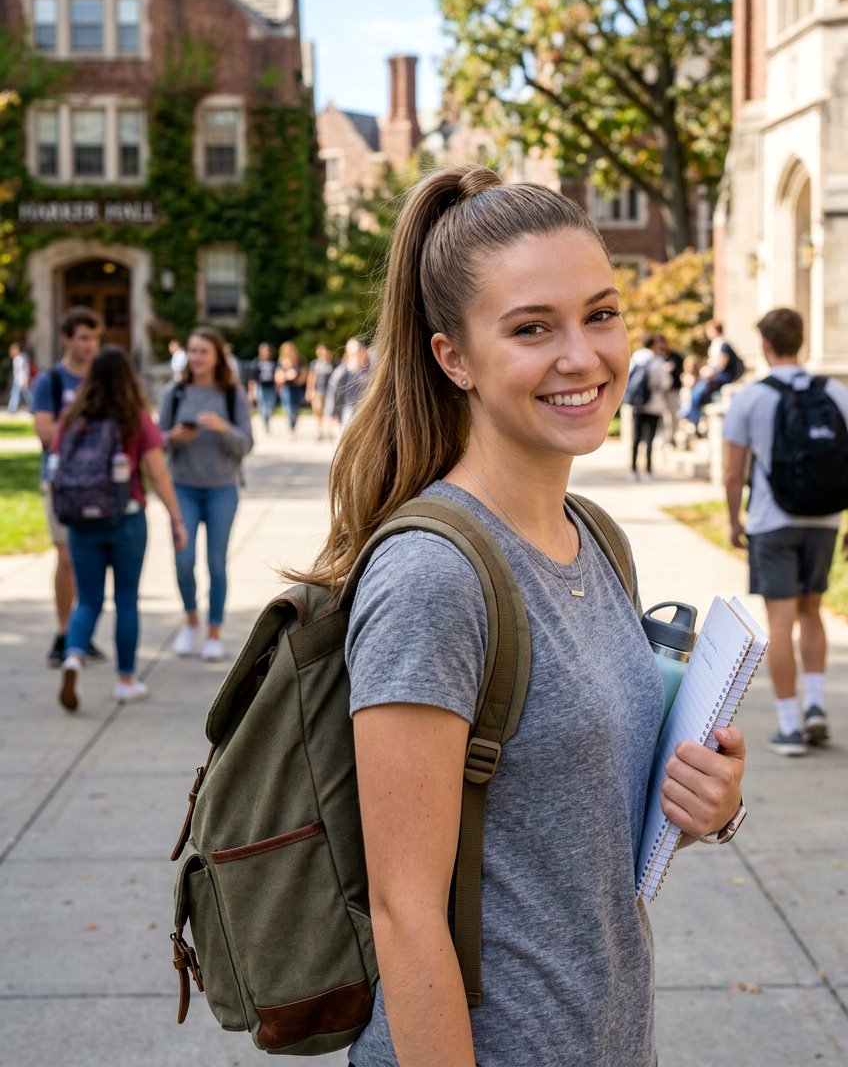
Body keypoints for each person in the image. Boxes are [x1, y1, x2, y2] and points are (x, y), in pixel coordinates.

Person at [294, 164, 746, 1066]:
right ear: (452, 357)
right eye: (533, 328)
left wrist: (708, 807)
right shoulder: (434, 577)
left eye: (601, 314)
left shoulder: (596, 539)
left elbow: (569, 848)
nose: (582, 356)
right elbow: (404, 910)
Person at [724, 307, 848, 756]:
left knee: (781, 619)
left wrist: (734, 518)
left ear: (766, 345)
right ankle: (815, 705)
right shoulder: (835, 391)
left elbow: (733, 472)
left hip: (772, 521)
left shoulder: (750, 398)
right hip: (825, 519)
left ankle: (790, 727)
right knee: (812, 610)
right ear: (802, 341)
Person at [54, 346, 188, 712]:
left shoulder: (71, 417)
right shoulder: (136, 418)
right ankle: (125, 680)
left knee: (89, 599)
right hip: (126, 518)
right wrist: (177, 519)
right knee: (126, 599)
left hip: (83, 520)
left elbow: (56, 466)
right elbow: (158, 474)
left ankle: (73, 657)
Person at [159, 326, 253, 661]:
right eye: (193, 351)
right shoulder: (175, 393)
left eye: (203, 351)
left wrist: (222, 427)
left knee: (216, 563)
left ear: (217, 357)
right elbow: (155, 442)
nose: (197, 357)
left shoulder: (232, 395)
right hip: (182, 487)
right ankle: (190, 620)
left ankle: (214, 632)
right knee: (183, 561)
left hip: (221, 490)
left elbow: (247, 444)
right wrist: (173, 437)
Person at [32, 307, 107, 667]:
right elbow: (45, 433)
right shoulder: (52, 381)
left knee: (92, 561)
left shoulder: (104, 380)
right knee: (66, 558)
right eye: (83, 337)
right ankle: (64, 633)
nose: (90, 345)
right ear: (66, 338)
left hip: (100, 484)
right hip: (61, 481)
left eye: (95, 338)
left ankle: (82, 634)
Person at [625, 334, 671, 481]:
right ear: (653, 344)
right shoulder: (656, 361)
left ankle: (633, 470)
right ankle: (648, 471)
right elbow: (664, 383)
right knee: (650, 438)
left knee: (636, 438)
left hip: (637, 404)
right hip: (654, 405)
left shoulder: (634, 359)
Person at [682, 320, 742, 430]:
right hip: (715, 376)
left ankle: (694, 418)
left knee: (698, 391)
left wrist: (711, 371)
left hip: (721, 377)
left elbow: (722, 363)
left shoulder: (723, 344)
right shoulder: (716, 344)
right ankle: (694, 417)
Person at [325, 336, 371, 431]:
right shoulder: (342, 371)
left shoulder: (373, 368)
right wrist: (330, 414)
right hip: (349, 412)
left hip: (369, 412)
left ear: (364, 351)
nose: (353, 357)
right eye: (350, 353)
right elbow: (333, 393)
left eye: (356, 353)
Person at [275, 341, 308, 437]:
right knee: (289, 409)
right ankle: (291, 429)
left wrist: (298, 379)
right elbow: (278, 377)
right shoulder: (281, 362)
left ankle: (293, 426)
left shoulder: (300, 361)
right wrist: (287, 375)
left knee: (296, 409)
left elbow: (305, 374)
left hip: (297, 389)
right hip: (286, 389)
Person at [305, 342, 335, 439]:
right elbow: (311, 378)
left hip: (330, 391)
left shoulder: (333, 363)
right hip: (318, 391)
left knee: (330, 411)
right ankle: (319, 431)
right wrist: (309, 391)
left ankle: (329, 430)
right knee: (318, 411)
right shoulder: (315, 364)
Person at [247, 342, 278, 432]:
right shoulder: (256, 362)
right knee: (263, 406)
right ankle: (265, 423)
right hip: (260, 386)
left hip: (271, 387)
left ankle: (267, 421)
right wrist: (251, 391)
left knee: (271, 406)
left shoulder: (273, 362)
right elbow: (251, 378)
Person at [7, 342, 32, 413]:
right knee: (15, 393)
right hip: (17, 380)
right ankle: (12, 408)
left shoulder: (21, 358)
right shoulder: (16, 359)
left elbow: (24, 370)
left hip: (22, 380)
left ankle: (33, 406)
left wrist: (25, 380)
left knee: (27, 395)